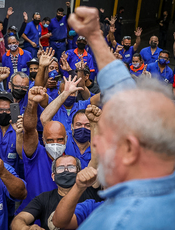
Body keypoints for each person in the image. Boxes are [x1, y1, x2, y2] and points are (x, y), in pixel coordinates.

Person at [68, 6, 175, 229]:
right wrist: (95, 36)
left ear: (129, 149)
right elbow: (124, 94)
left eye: (105, 135)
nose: (94, 140)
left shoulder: (115, 223)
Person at [16, 86, 71, 215]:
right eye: (50, 140)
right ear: (43, 140)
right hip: (33, 220)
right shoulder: (35, 155)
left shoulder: (70, 158)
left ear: (66, 139)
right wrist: (31, 104)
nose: (55, 144)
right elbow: (29, 130)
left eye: (60, 139)